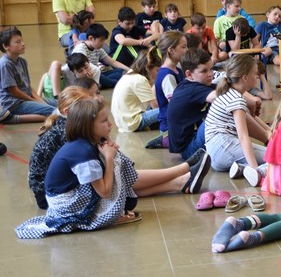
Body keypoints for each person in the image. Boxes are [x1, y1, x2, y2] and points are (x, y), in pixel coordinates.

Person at [16, 98, 212, 238]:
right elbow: (104, 191)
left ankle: (182, 179)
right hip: (65, 205)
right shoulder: (82, 153)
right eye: (103, 121)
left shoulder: (85, 142)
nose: (110, 124)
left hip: (68, 195)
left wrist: (110, 151)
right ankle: (181, 174)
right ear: (88, 126)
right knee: (115, 165)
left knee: (117, 160)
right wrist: (109, 159)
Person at [204, 54, 270, 186]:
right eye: (255, 74)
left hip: (215, 155)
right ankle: (257, 171)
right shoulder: (237, 99)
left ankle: (242, 168)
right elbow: (243, 137)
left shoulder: (229, 92)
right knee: (277, 157)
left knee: (271, 154)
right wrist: (255, 168)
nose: (257, 77)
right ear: (245, 78)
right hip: (224, 147)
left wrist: (269, 131)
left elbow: (250, 118)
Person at [27, 86, 95, 208]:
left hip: (55, 189)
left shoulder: (67, 124)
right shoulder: (68, 131)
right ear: (67, 112)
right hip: (51, 196)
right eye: (86, 108)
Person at [167, 49, 216, 161]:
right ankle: (265, 136)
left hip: (193, 140)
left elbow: (227, 90)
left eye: (211, 69)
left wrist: (251, 99)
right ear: (189, 74)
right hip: (189, 150)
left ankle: (265, 134)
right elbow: (222, 97)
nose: (210, 74)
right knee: (222, 111)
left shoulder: (197, 84)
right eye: (204, 71)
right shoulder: (191, 89)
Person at [0, 27, 56, 124]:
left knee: (62, 105)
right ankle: (14, 118)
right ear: (6, 46)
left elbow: (28, 86)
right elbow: (14, 91)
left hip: (26, 97)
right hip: (14, 103)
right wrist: (35, 101)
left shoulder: (22, 61)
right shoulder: (5, 64)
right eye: (18, 42)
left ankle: (39, 114)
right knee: (56, 112)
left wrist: (39, 100)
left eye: (22, 40)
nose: (23, 44)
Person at [149, 31, 187, 149]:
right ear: (171, 50)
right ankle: (166, 139)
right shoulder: (168, 76)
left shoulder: (177, 68)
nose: (187, 50)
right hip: (171, 127)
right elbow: (177, 106)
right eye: (184, 47)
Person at [110, 48, 161, 133]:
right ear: (147, 67)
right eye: (157, 70)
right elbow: (155, 106)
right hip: (132, 122)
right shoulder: (140, 80)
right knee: (169, 109)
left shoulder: (130, 74)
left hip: (123, 122)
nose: (158, 74)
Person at [72, 24, 129, 89]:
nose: (103, 43)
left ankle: (112, 82)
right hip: (87, 77)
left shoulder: (98, 49)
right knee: (100, 75)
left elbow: (113, 62)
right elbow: (84, 68)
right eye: (101, 40)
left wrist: (129, 70)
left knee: (120, 71)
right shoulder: (80, 49)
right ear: (91, 38)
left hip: (97, 75)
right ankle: (118, 83)